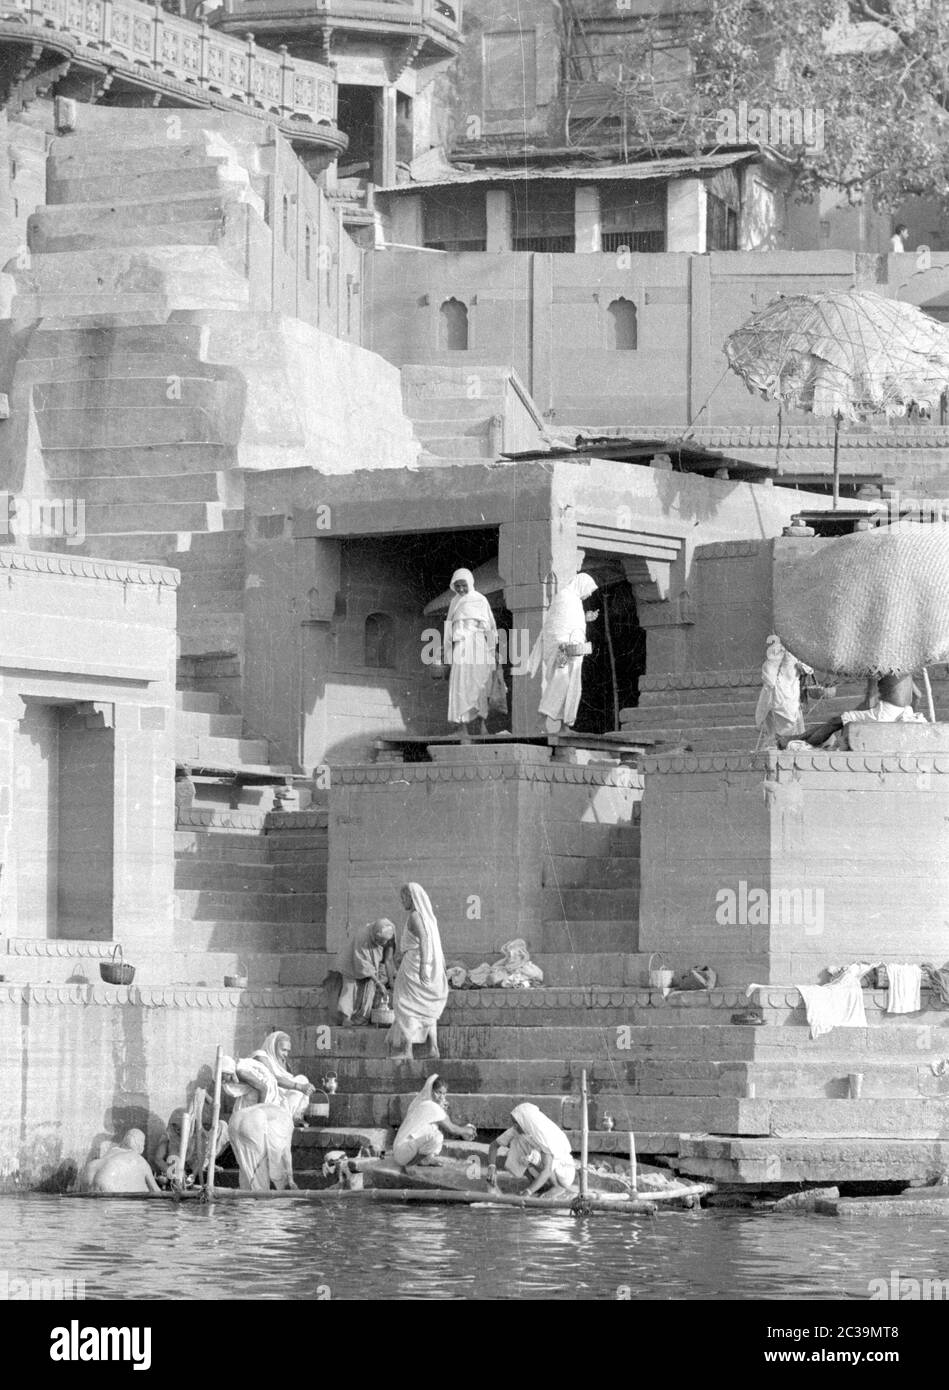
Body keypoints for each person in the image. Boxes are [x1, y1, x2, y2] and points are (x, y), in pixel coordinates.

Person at [528, 573, 599, 734]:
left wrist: (586, 618)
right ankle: (541, 720)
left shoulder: (574, 601)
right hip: (563, 652)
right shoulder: (565, 597)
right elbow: (555, 627)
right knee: (559, 683)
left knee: (572, 687)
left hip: (574, 653)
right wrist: (564, 645)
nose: (588, 594)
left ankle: (564, 726)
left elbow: (571, 623)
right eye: (588, 590)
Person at [781, 670, 926, 748]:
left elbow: (870, 697)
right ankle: (795, 738)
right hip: (904, 711)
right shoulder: (907, 670)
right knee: (842, 719)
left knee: (836, 721)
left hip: (885, 713)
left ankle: (797, 741)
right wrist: (905, 717)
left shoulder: (884, 665)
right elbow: (918, 696)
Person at [388, 883, 449, 1061]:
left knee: (405, 1005)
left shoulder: (415, 916)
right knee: (426, 1009)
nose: (402, 902)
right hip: (422, 963)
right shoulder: (427, 917)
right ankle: (433, 1048)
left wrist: (422, 965)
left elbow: (424, 940)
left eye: (404, 898)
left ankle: (408, 1050)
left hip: (414, 966)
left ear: (412, 898)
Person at [221, 1056, 297, 1191]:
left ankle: (252, 1192)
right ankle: (259, 1193)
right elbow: (285, 1155)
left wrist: (257, 1110)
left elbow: (262, 1087)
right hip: (256, 1115)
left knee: (248, 1165)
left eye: (223, 1076)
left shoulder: (240, 1071)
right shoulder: (283, 1119)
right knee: (257, 1163)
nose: (223, 1080)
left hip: (250, 1115)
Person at [443, 568, 497, 739]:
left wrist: (491, 652)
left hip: (479, 647)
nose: (460, 589)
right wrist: (447, 654)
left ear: (470, 583)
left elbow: (491, 628)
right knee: (460, 686)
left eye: (463, 585)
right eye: (457, 586)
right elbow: (448, 630)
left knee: (480, 684)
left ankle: (482, 725)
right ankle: (462, 728)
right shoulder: (454, 602)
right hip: (460, 648)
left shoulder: (481, 600)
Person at [486, 1104, 577, 1197]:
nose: (515, 1126)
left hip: (562, 1174)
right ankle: (536, 1185)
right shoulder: (516, 1130)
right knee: (517, 1145)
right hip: (543, 1171)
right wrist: (491, 1167)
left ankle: (557, 1187)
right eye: (513, 1123)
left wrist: (527, 1193)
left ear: (525, 1122)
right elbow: (494, 1146)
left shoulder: (544, 1136)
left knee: (533, 1156)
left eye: (516, 1122)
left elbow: (547, 1170)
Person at [391, 1075, 477, 1169]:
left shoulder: (421, 1103)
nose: (442, 1097)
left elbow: (445, 1121)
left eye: (444, 1094)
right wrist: (468, 1131)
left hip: (401, 1151)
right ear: (431, 1091)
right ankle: (422, 1160)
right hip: (403, 1152)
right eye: (438, 1092)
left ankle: (424, 1159)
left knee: (433, 1129)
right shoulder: (430, 1105)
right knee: (437, 1136)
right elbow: (451, 1128)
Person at [327, 918, 396, 1026]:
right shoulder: (362, 937)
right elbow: (362, 963)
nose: (383, 943)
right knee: (350, 987)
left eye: (385, 941)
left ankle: (362, 1018)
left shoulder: (390, 933)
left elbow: (388, 958)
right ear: (375, 936)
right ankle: (346, 1017)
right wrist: (378, 982)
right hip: (351, 962)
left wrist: (389, 981)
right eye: (380, 941)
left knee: (369, 989)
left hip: (369, 966)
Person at [234, 1032, 315, 1123]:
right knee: (300, 1082)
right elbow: (274, 1078)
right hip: (267, 1096)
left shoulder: (283, 1063)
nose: (286, 1054)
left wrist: (303, 1086)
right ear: (272, 1046)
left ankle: (293, 1118)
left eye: (288, 1051)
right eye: (283, 1050)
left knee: (302, 1079)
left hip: (281, 1098)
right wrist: (300, 1087)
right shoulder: (260, 1055)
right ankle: (285, 1119)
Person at [89, 1130, 162, 1194]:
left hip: (88, 1174)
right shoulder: (139, 1159)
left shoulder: (110, 1152)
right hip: (107, 1183)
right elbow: (156, 1192)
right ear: (140, 1145)